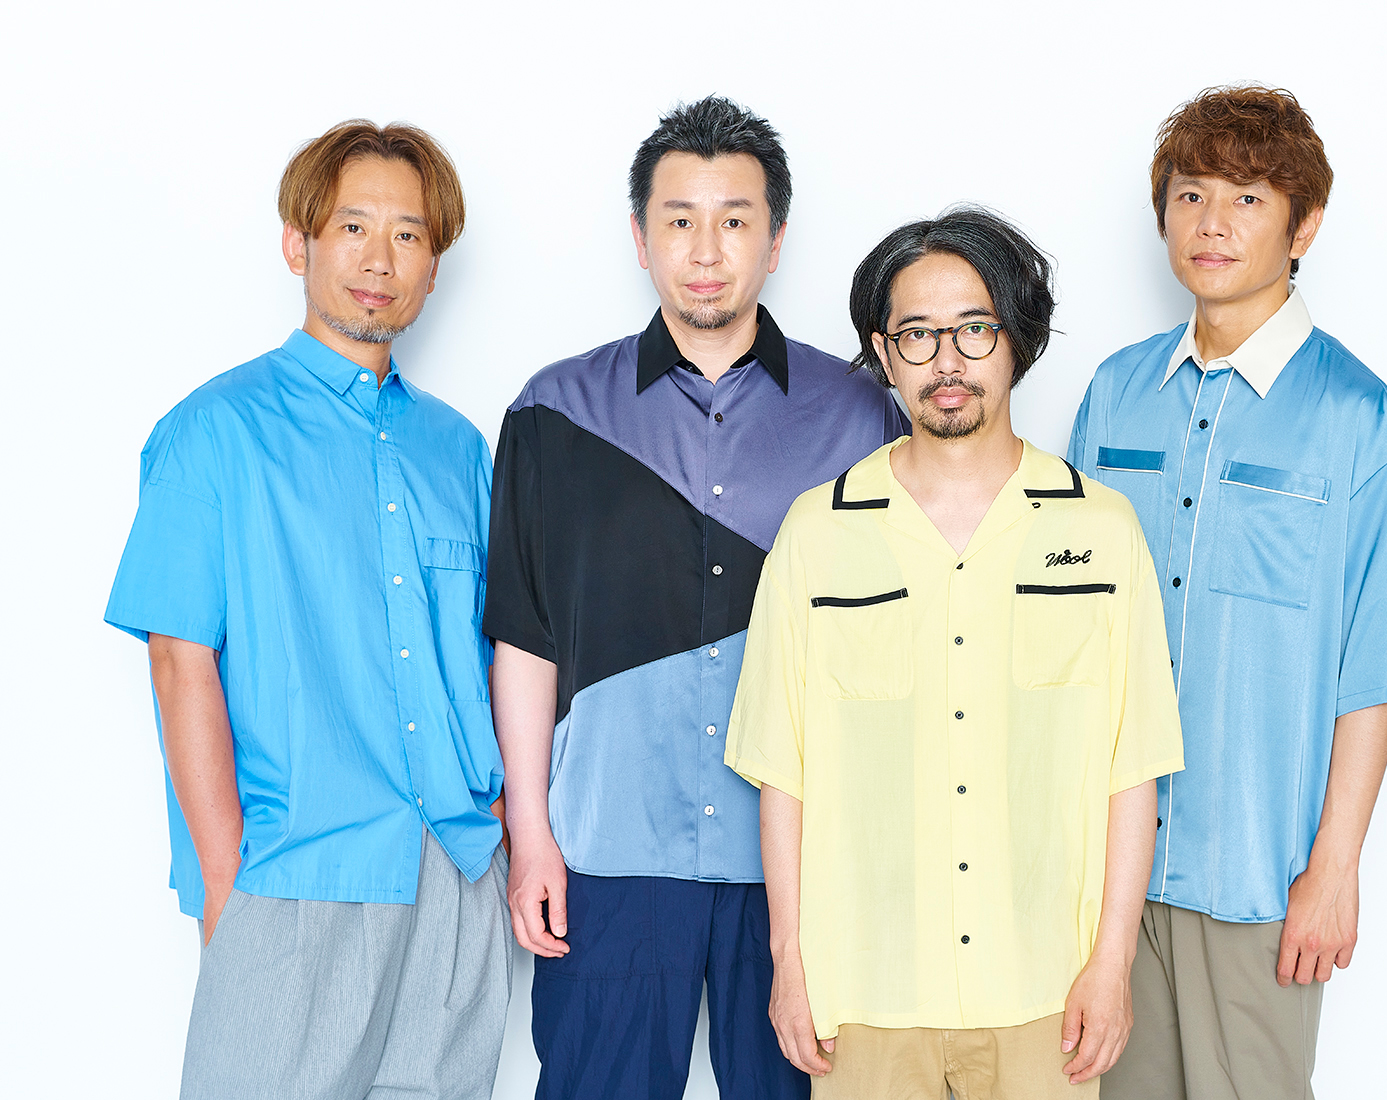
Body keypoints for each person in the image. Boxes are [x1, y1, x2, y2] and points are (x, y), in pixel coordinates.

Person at [484, 95, 906, 1100]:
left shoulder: (862, 416)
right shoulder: (554, 412)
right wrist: (532, 836)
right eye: (679, 219)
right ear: (640, 237)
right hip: (608, 853)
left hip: (802, 861)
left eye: (734, 220)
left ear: (776, 239)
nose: (706, 250)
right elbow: (526, 641)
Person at [725, 207, 1186, 1098]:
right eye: (918, 335)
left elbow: (1132, 771)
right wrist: (791, 962)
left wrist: (1113, 963)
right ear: (883, 351)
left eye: (975, 329)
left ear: (1016, 340)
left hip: (1047, 994)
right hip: (865, 996)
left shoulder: (1102, 531)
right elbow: (783, 772)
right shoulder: (817, 534)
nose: (948, 361)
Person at [104, 120, 509, 1099]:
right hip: (296, 872)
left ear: (434, 267)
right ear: (299, 243)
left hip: (455, 875)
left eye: (409, 236)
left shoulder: (458, 449)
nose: (380, 260)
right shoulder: (214, 432)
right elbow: (179, 659)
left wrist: (496, 824)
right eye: (353, 228)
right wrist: (226, 884)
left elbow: (489, 649)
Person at [1066, 85, 1387, 1099]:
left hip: (1257, 878)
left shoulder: (1359, 419)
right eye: (1191, 194)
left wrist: (1335, 867)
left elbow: (1372, 665)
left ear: (1303, 227)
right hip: (1104, 875)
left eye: (1248, 198)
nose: (1212, 222)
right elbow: (1063, 624)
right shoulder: (1114, 395)